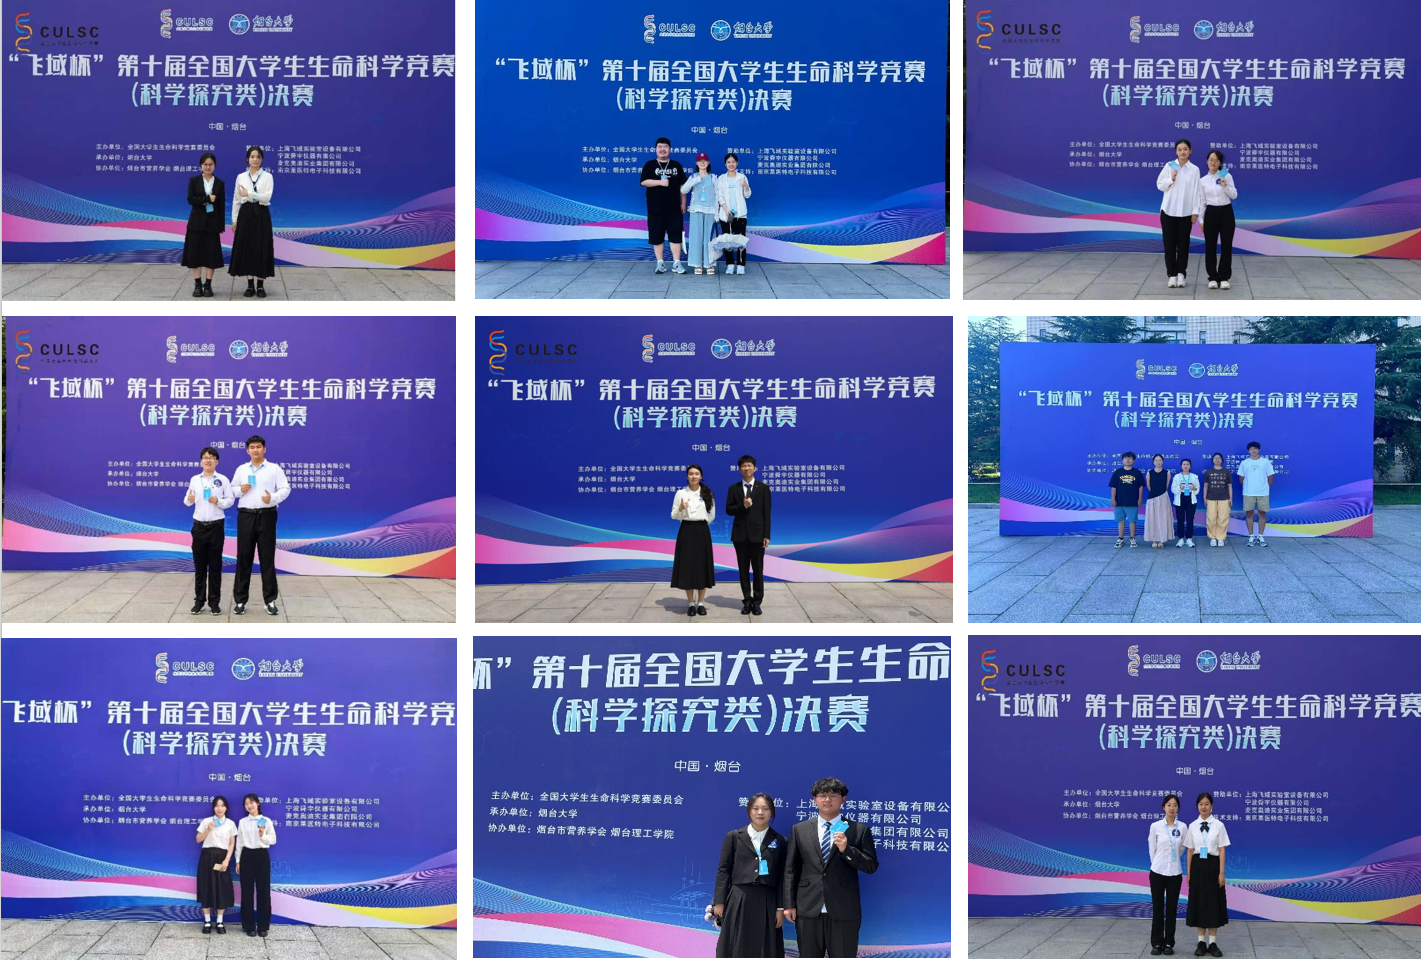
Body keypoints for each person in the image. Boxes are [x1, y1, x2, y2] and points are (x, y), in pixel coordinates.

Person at [782, 777, 878, 959]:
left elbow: (871, 866)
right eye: (822, 795)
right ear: (815, 799)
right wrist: (789, 904)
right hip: (808, 909)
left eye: (833, 795)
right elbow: (790, 870)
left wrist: (847, 850)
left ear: (843, 799)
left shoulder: (858, 830)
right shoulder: (799, 829)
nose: (827, 800)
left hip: (843, 910)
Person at [713, 793, 787, 958]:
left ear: (772, 812)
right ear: (749, 811)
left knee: (765, 945)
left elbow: (783, 876)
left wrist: (780, 907)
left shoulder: (781, 841)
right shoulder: (734, 837)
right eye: (756, 808)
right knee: (735, 942)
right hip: (739, 897)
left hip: (767, 899)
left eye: (765, 808)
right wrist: (719, 901)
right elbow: (723, 870)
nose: (760, 812)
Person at [232, 435, 290, 616]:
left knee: (267, 558)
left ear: (264, 449)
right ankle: (240, 601)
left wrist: (272, 498)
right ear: (247, 451)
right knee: (244, 558)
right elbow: (231, 489)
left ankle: (270, 600)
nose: (255, 450)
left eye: (258, 447)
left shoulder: (274, 469)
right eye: (252, 447)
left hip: (267, 516)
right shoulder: (241, 469)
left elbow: (285, 488)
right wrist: (239, 490)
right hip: (246, 516)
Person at [184, 446, 234, 615]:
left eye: (211, 457)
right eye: (205, 457)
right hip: (199, 527)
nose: (208, 460)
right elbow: (187, 501)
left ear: (216, 461)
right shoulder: (194, 479)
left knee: (215, 566)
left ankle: (214, 602)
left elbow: (230, 500)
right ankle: (199, 601)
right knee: (199, 567)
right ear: (201, 461)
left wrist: (218, 501)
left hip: (216, 527)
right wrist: (189, 499)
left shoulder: (223, 480)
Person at [1184, 792, 1230, 958]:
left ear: (1212, 806)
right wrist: (1189, 873)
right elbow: (1190, 850)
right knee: (1199, 903)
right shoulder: (1192, 826)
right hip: (1197, 867)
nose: (1203, 807)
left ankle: (1213, 943)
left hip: (1213, 866)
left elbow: (1222, 849)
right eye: (1201, 804)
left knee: (1212, 903)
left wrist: (1221, 873)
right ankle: (1201, 942)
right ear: (1197, 806)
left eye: (1207, 804)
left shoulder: (1219, 825)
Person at [726, 454, 771, 616]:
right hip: (740, 536)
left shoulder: (763, 488)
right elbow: (729, 510)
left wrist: (766, 535)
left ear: (755, 468)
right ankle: (747, 601)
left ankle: (757, 602)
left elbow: (767, 513)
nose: (747, 468)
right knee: (743, 570)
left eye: (749, 465)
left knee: (758, 570)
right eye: (743, 466)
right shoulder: (733, 488)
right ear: (739, 469)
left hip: (758, 536)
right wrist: (743, 506)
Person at [229, 146, 275, 298]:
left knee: (262, 247)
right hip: (246, 213)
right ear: (247, 159)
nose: (255, 159)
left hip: (261, 213)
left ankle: (260, 285)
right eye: (252, 156)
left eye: (258, 156)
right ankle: (250, 285)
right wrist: (234, 219)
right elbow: (236, 199)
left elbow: (267, 197)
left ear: (262, 159)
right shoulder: (241, 177)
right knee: (247, 248)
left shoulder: (268, 177)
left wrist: (249, 193)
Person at [670, 464, 716, 616]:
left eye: (697, 474)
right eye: (691, 474)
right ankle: (691, 603)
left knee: (702, 566)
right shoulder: (680, 493)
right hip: (686, 531)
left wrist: (701, 524)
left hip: (702, 531)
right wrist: (681, 509)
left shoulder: (707, 493)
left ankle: (701, 603)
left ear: (701, 476)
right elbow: (673, 515)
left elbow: (711, 515)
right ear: (687, 476)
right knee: (687, 566)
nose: (694, 476)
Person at [1156, 138, 1202, 288]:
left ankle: (1181, 273)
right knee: (1169, 245)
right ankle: (1172, 274)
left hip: (1186, 213)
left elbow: (1196, 192)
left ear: (1190, 151)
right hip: (1168, 211)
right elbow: (1160, 185)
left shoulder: (1194, 169)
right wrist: (1171, 178)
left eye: (1185, 149)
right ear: (1176, 151)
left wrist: (1195, 212)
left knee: (1183, 245)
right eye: (1179, 149)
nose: (1182, 152)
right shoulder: (1169, 166)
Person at [639, 136, 686, 274]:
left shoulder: (676, 165)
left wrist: (683, 203)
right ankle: (660, 263)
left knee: (675, 235)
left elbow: (683, 186)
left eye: (665, 146)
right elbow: (643, 182)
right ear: (656, 149)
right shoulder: (649, 165)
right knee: (657, 235)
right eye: (660, 146)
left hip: (674, 208)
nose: (662, 149)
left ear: (670, 149)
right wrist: (659, 182)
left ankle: (677, 263)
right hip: (655, 208)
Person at [181, 152, 225, 298]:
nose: (208, 167)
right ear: (201, 165)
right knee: (195, 254)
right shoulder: (194, 180)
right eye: (205, 164)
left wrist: (221, 226)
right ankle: (198, 284)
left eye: (210, 164)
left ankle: (208, 285)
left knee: (211, 255)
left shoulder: (219, 183)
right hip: (196, 223)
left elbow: (221, 206)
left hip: (212, 224)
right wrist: (207, 199)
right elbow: (190, 199)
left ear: (215, 166)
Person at [1147, 794, 1186, 956]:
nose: (1172, 808)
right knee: (1157, 908)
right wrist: (1158, 863)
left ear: (1178, 808)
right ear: (1164, 807)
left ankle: (1169, 942)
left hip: (1175, 873)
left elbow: (1182, 848)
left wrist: (1172, 859)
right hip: (1157, 872)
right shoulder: (1156, 826)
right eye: (1169, 805)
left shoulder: (1182, 827)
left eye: (1175, 805)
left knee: (1171, 909)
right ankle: (1156, 943)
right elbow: (1152, 849)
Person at [235, 794, 276, 938]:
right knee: (246, 891)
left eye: (251, 802)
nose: (249, 806)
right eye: (246, 804)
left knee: (263, 891)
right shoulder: (242, 822)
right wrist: (238, 860)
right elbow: (239, 842)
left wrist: (262, 835)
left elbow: (273, 839)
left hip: (262, 855)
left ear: (258, 803)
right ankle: (249, 926)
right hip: (246, 855)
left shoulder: (266, 821)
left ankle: (263, 926)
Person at [195, 796, 237, 934]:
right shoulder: (207, 821)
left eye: (222, 805)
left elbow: (232, 843)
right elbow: (198, 839)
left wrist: (227, 859)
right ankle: (207, 921)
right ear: (213, 807)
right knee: (206, 886)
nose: (220, 808)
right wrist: (208, 830)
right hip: (207, 857)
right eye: (217, 805)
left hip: (222, 857)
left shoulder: (230, 823)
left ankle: (220, 921)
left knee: (222, 887)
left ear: (226, 808)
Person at [1198, 150, 1238, 290]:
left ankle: (1225, 277)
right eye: (1210, 159)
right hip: (1211, 213)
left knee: (1226, 245)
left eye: (1216, 160)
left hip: (1226, 212)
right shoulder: (1202, 181)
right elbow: (1202, 201)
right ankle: (1213, 277)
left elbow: (1234, 195)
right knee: (1210, 246)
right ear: (1207, 161)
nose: (1213, 162)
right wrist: (1201, 220)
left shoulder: (1227, 176)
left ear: (1220, 163)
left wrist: (1225, 185)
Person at [681, 154, 719, 276]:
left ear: (708, 162)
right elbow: (683, 190)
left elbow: (717, 196)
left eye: (705, 161)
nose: (702, 163)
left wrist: (716, 214)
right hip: (696, 210)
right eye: (700, 161)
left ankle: (709, 264)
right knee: (696, 238)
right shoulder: (693, 177)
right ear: (696, 163)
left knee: (709, 238)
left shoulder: (713, 178)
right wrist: (695, 181)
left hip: (710, 210)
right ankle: (697, 264)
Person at [716, 153, 752, 275]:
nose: (731, 164)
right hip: (726, 215)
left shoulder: (742, 177)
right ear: (725, 164)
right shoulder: (721, 178)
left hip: (740, 215)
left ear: (737, 163)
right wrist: (726, 209)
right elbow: (720, 196)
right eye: (728, 162)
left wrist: (745, 185)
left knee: (741, 241)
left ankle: (741, 265)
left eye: (733, 162)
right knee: (727, 241)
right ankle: (730, 264)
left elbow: (747, 195)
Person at [1236, 441, 1274, 547]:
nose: (1254, 450)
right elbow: (1241, 478)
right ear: (1248, 450)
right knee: (1249, 514)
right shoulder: (1244, 463)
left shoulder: (1266, 462)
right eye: (1251, 449)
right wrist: (1249, 487)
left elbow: (1270, 477)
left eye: (1256, 448)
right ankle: (1251, 536)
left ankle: (1261, 536)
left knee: (1262, 514)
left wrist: (1264, 488)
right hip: (1249, 493)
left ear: (1259, 450)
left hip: (1263, 493)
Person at [1109, 451, 1146, 548]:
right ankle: (1120, 539)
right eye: (1125, 458)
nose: (1128, 460)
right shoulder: (1117, 472)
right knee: (1120, 520)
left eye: (1130, 458)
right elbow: (1113, 487)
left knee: (1132, 521)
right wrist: (1113, 499)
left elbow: (1140, 487)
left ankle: (1132, 538)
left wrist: (1140, 498)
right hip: (1119, 501)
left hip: (1132, 501)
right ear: (1122, 460)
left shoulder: (1137, 473)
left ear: (1134, 460)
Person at [1143, 453, 1174, 548]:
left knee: (1163, 519)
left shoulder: (1167, 473)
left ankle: (1161, 540)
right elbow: (1149, 486)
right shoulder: (1149, 473)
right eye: (1156, 460)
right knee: (1153, 519)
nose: (1158, 462)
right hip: (1152, 498)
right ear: (1153, 462)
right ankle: (1154, 540)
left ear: (1163, 462)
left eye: (1160, 460)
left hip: (1163, 497)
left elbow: (1166, 486)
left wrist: (1161, 495)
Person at [1202, 452, 1233, 547]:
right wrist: (1204, 498)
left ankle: (1221, 538)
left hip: (1224, 498)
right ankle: (1212, 537)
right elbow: (1206, 486)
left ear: (1222, 460)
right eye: (1215, 458)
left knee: (1223, 518)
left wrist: (1231, 498)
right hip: (1211, 498)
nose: (1217, 460)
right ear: (1212, 460)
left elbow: (1229, 486)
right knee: (1211, 518)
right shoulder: (1208, 472)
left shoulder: (1226, 471)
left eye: (1219, 458)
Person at [1170, 458, 1200, 548]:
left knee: (1190, 519)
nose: (1186, 466)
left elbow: (1197, 490)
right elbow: (1173, 490)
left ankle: (1189, 539)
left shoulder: (1194, 477)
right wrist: (1179, 488)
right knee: (1180, 519)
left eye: (1187, 464)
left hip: (1191, 498)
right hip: (1180, 499)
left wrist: (1194, 489)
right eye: (1184, 464)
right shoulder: (1177, 477)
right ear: (1181, 466)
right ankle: (1180, 539)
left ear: (1190, 466)